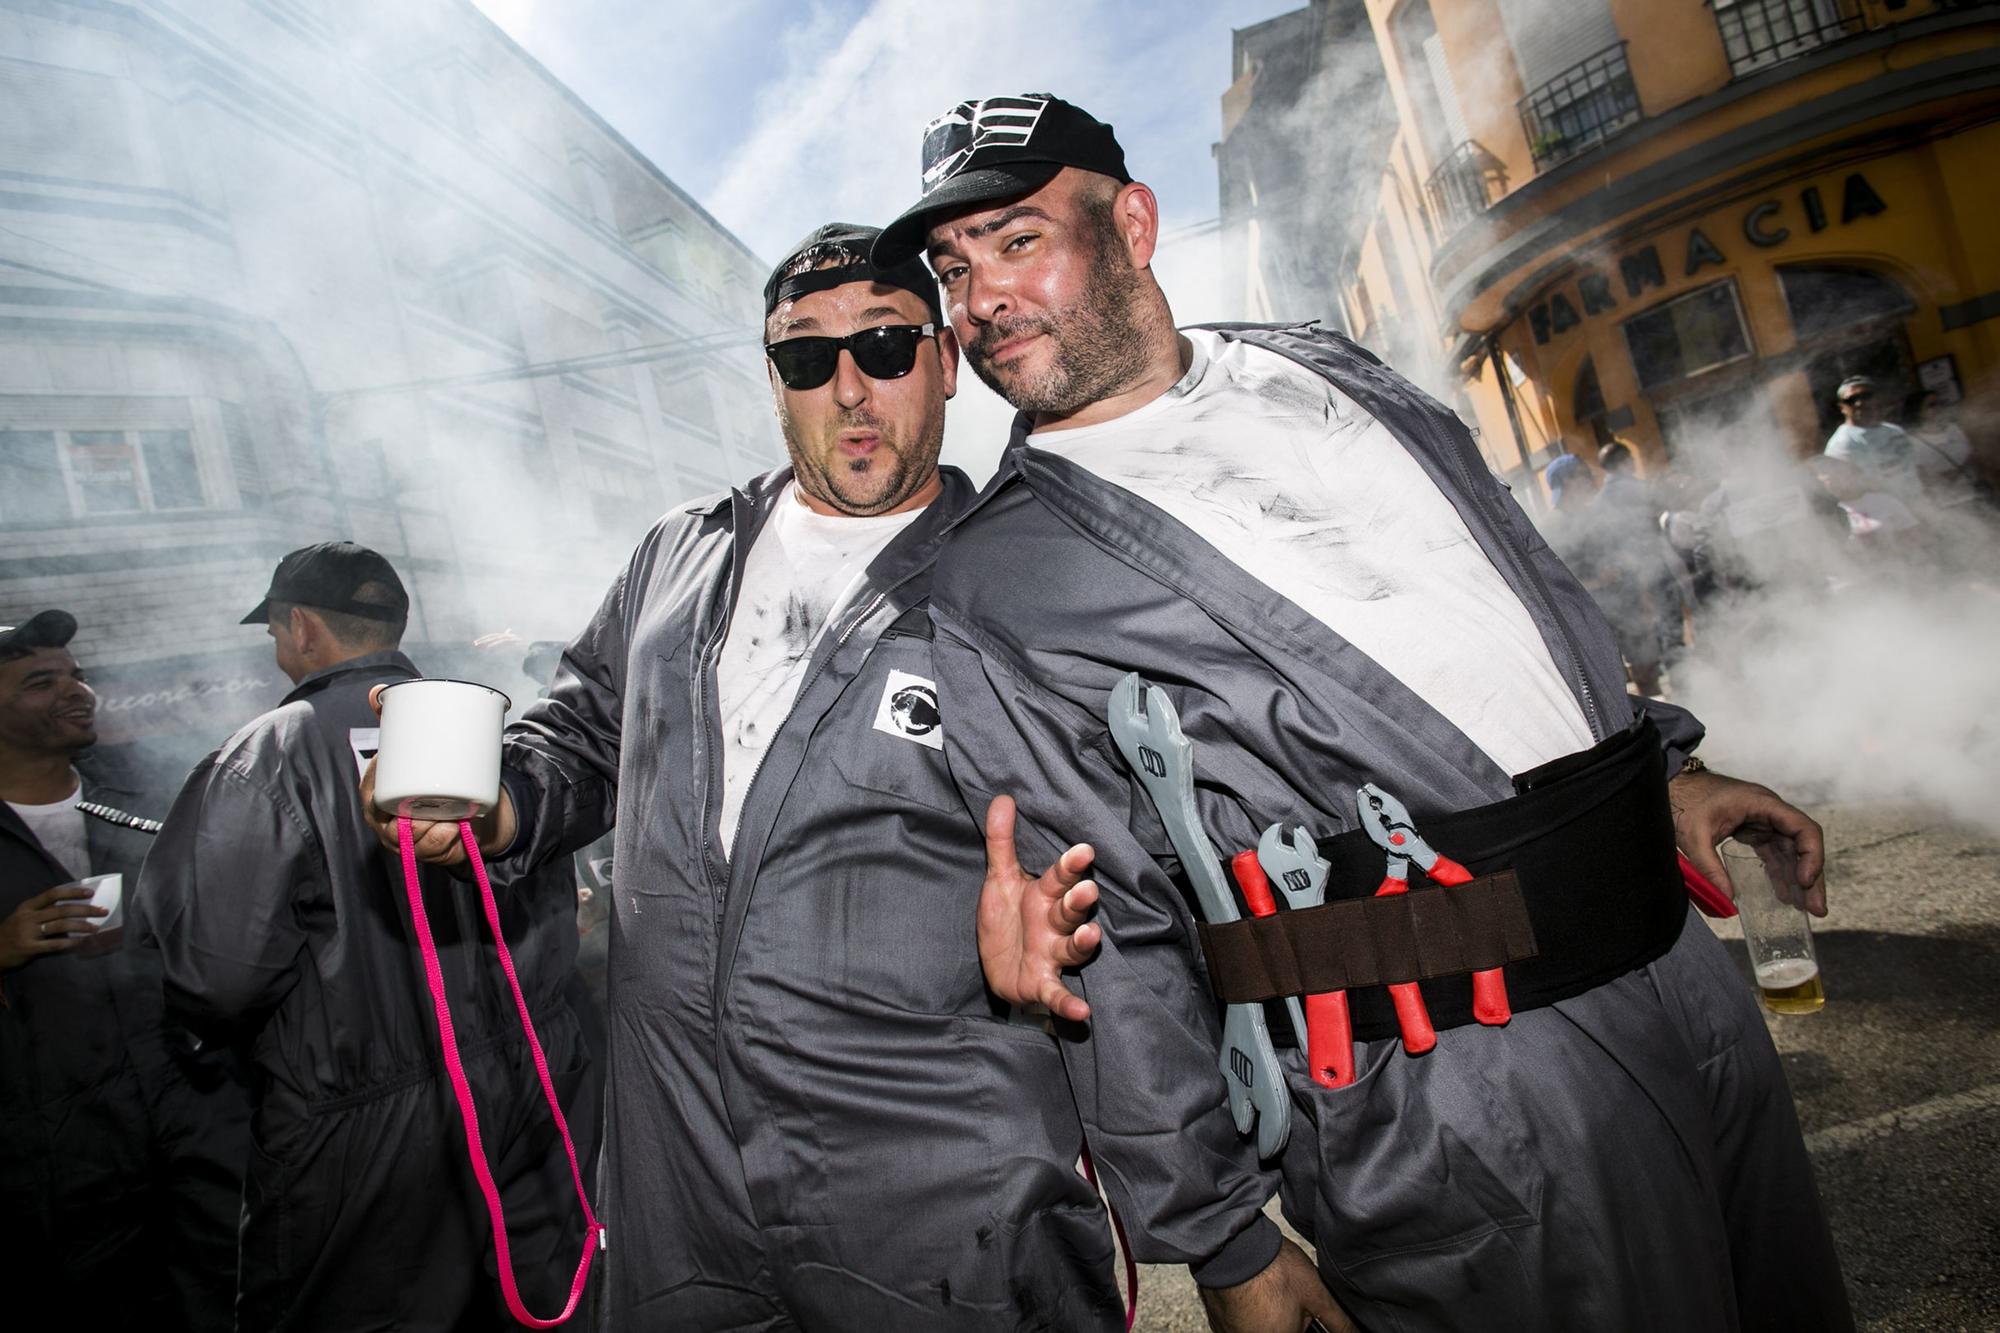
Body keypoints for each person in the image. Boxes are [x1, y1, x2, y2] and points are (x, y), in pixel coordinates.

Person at [872, 94, 1853, 1332]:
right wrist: (1217, 1235)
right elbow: (1103, 926)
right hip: (1460, 1083)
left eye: (1016, 242)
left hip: (1670, 963)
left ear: (1132, 222)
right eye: (955, 267)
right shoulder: (996, 578)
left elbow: (1506, 586)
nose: (980, 299)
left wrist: (1662, 768)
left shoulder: (1322, 368)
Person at [373, 224, 1127, 1331]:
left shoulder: (1027, 571)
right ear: (775, 384)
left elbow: (1131, 847)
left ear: (945, 361)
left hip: (936, 1181)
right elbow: (584, 727)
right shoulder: (680, 554)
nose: (851, 386)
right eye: (807, 358)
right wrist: (502, 798)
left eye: (884, 344)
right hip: (678, 1167)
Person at [133, 544, 596, 1330]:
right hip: (535, 1076)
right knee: (547, 1303)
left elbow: (216, 977)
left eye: (278, 633)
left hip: (363, 1125)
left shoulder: (270, 754)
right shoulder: (492, 726)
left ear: (303, 628)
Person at [0, 609, 245, 1332]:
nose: (76, 691)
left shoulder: (143, 799)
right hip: (53, 1151)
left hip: (193, 1109)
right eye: (41, 681)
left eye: (77, 675)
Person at [1823, 374, 1921, 498]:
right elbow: (1843, 490)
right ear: (1842, 407)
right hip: (1881, 513)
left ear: (1877, 398)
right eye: (1851, 400)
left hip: (1917, 505)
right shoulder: (1841, 443)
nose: (1859, 403)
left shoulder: (1895, 431)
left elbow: (1916, 467)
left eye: (1865, 396)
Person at [1902, 388, 1986, 510]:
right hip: (1946, 502)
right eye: (1932, 405)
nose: (1938, 408)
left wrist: (1959, 469)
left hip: (1972, 493)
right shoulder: (1912, 441)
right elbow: (1919, 473)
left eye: (1940, 403)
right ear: (1918, 411)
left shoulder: (1953, 429)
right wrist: (1944, 476)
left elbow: (1972, 453)